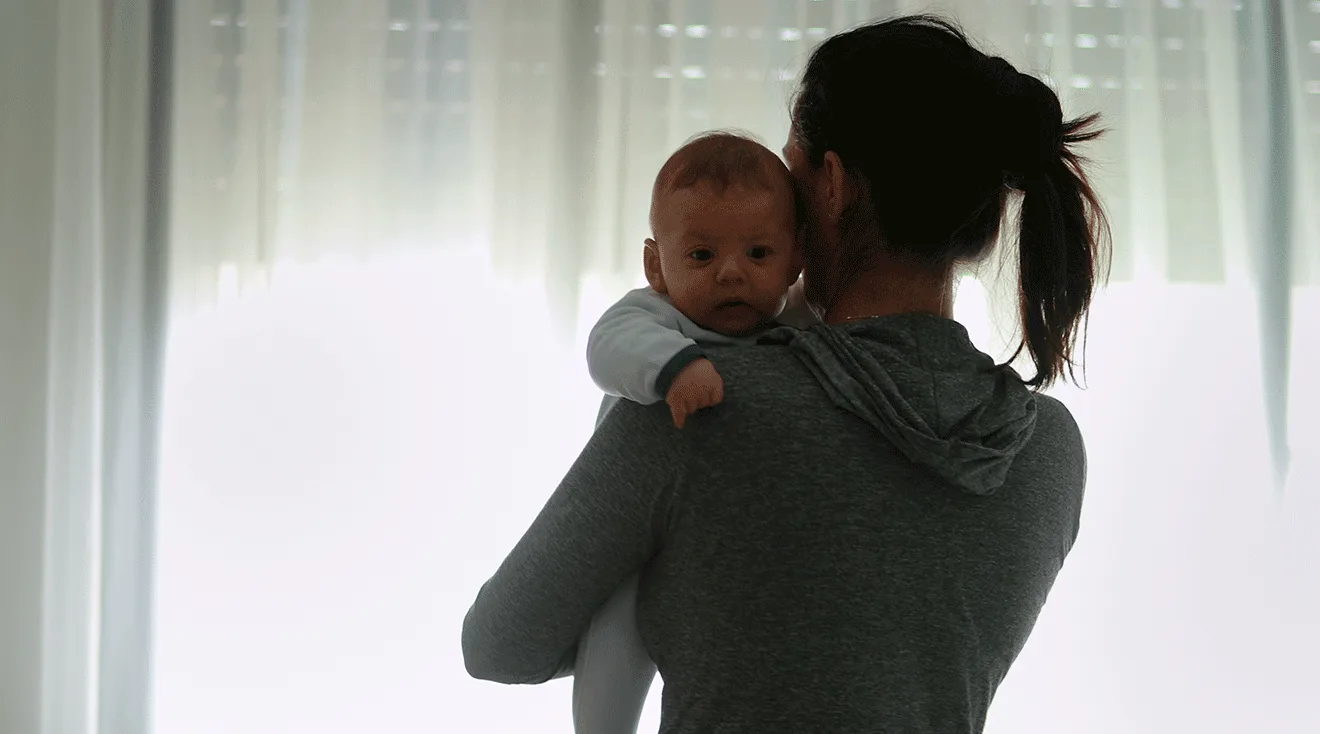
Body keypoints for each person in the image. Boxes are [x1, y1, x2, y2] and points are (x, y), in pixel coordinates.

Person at [462, 13, 1111, 734]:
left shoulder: (699, 400)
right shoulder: (1048, 450)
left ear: (830, 187)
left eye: (789, 173)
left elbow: (500, 644)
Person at [574, 131, 817, 734]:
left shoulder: (793, 323)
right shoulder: (653, 314)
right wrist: (674, 367)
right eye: (702, 257)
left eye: (759, 254)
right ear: (657, 265)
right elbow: (606, 349)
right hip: (631, 532)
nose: (732, 274)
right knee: (615, 637)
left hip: (717, 543)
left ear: (795, 259)